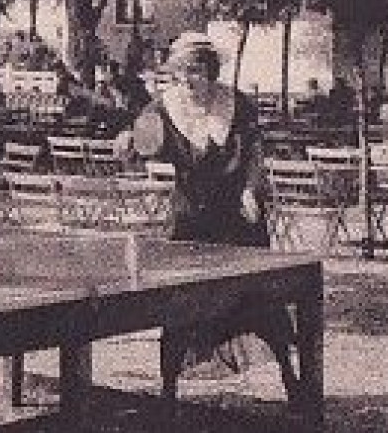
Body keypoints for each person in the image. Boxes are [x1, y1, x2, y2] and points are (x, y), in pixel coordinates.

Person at [117, 31, 311, 410]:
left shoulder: (237, 105)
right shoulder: (164, 108)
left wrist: (251, 190)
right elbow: (139, 143)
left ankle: (293, 382)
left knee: (261, 305)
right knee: (179, 308)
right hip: (190, 222)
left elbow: (255, 155)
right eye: (180, 73)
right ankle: (169, 393)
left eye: (195, 72)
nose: (187, 81)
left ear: (210, 71)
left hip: (238, 220)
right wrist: (126, 141)